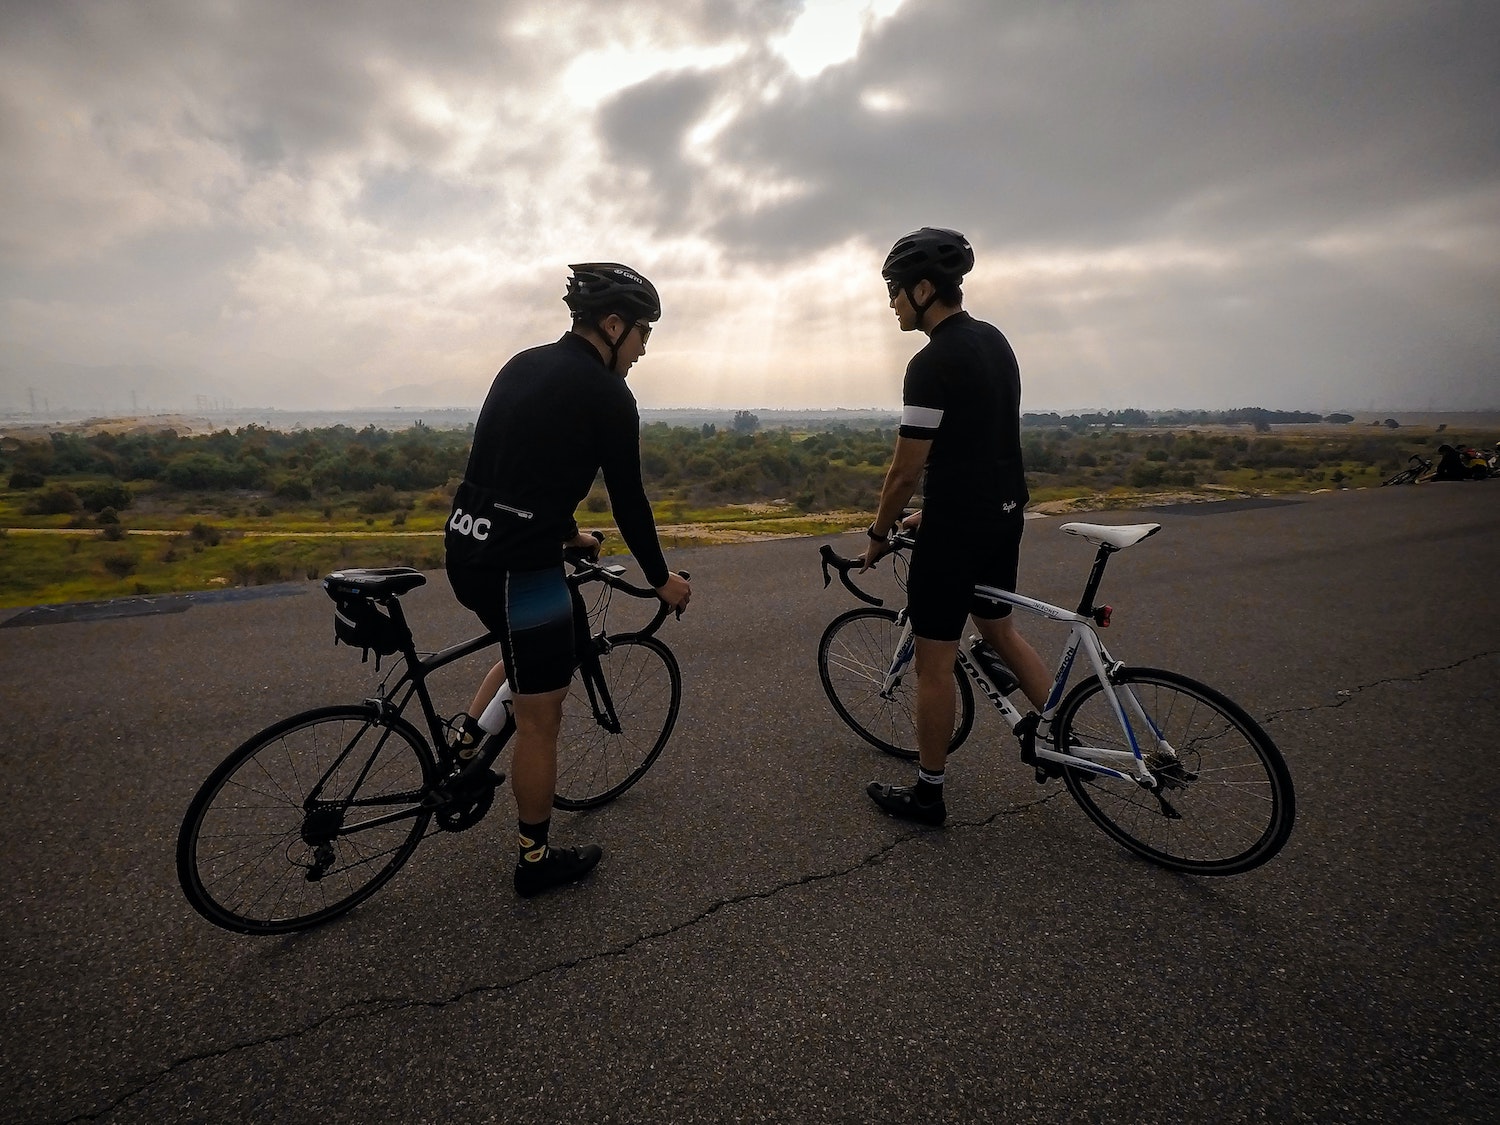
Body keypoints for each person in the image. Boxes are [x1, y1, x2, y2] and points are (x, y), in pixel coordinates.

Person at [444, 262, 691, 897]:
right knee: (541, 717)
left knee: (524, 649)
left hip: (468, 544)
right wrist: (662, 580)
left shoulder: (521, 364)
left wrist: (566, 533)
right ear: (612, 325)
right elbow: (630, 501)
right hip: (515, 568)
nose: (642, 351)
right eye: (642, 335)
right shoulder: (609, 395)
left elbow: (511, 474)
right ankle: (534, 859)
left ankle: (465, 754)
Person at [859, 227, 1052, 826]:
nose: (890, 302)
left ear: (922, 289)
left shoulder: (929, 363)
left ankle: (928, 793)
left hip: (958, 532)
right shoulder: (996, 342)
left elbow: (904, 470)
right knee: (998, 629)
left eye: (894, 291)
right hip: (1004, 513)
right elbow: (981, 444)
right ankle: (1059, 734)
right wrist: (936, 508)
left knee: (933, 664)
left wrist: (878, 531)